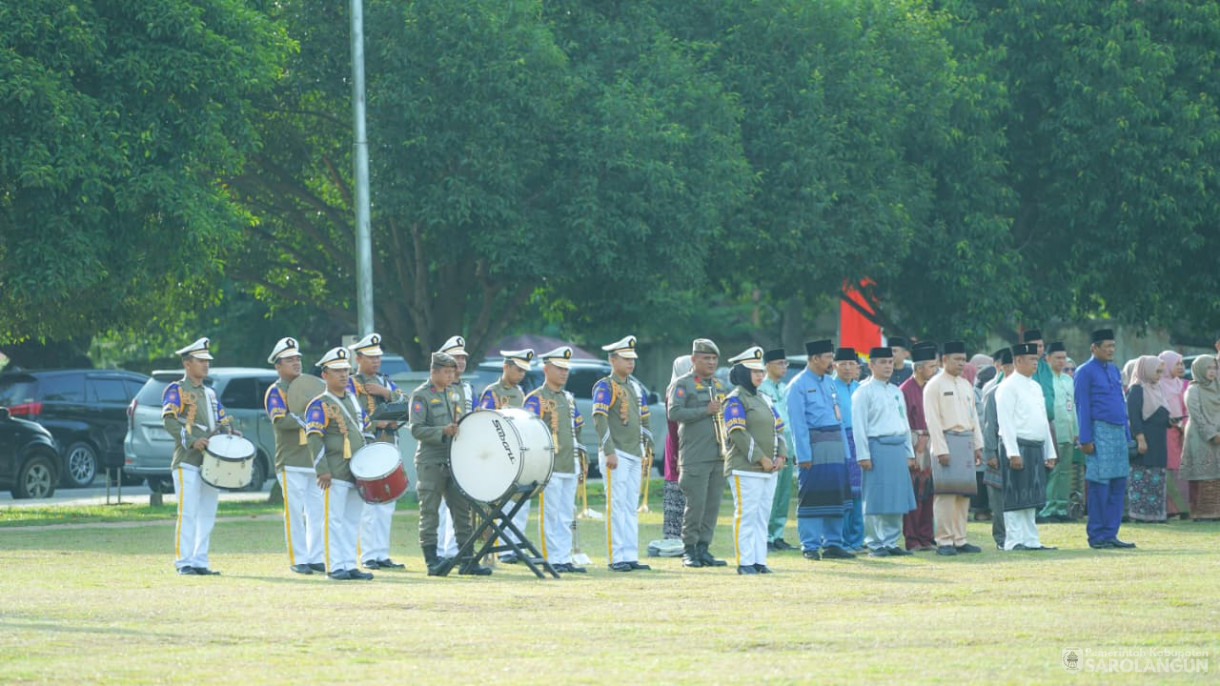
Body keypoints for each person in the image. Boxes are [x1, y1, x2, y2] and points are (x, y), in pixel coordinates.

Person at [410, 352, 491, 576]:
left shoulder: (454, 393)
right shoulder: (421, 396)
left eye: (452, 372)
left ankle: (467, 558)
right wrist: (442, 431)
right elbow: (416, 429)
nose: (450, 376)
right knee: (430, 512)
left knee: (461, 510)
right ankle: (432, 560)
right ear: (433, 371)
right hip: (430, 461)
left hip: (454, 459)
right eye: (446, 372)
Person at [163, 337, 233, 576]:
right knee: (188, 511)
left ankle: (200, 560)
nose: (205, 365)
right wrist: (193, 441)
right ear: (187, 363)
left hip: (212, 463)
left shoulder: (211, 394)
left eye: (207, 361)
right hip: (187, 461)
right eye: (200, 360)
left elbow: (222, 421)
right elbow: (169, 421)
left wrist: (230, 433)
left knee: (207, 513)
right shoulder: (176, 390)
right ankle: (184, 562)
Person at [304, 347, 374, 580]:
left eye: (345, 370)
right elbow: (314, 439)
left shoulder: (353, 399)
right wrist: (322, 470)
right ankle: (334, 567)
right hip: (334, 471)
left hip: (356, 471)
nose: (344, 375)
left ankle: (348, 563)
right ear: (324, 374)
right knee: (333, 520)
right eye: (337, 371)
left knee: (352, 520)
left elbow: (365, 428)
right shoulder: (319, 404)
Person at [786, 339, 854, 561]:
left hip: (835, 445)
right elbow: (797, 424)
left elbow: (839, 418)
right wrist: (803, 455)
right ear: (815, 359)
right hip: (814, 447)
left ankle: (833, 543)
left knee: (837, 495)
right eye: (829, 358)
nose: (832, 362)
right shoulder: (797, 385)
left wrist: (845, 451)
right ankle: (811, 545)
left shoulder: (830, 383)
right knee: (813, 496)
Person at [722, 346, 787, 574]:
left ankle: (759, 561)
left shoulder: (765, 399)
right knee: (747, 514)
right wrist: (761, 458)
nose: (760, 375)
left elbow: (779, 429)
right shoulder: (734, 400)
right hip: (745, 468)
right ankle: (745, 562)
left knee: (762, 516)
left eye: (761, 371)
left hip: (769, 469)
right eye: (753, 371)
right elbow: (738, 433)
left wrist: (781, 455)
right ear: (741, 372)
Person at [264, 337, 325, 575]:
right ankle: (298, 558)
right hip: (290, 460)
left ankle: (315, 556)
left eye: (298, 358)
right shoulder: (276, 391)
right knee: (295, 513)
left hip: (312, 459)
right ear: (278, 365)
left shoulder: (311, 387)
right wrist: (309, 416)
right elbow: (281, 420)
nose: (296, 363)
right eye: (289, 360)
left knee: (317, 512)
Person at [667, 339, 730, 568]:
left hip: (717, 453)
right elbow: (674, 412)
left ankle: (704, 548)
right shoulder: (683, 384)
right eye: (706, 358)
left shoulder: (719, 385)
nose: (711, 362)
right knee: (695, 505)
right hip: (695, 455)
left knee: (712, 506)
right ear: (694, 360)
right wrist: (705, 410)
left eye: (714, 359)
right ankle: (689, 550)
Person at [593, 335, 653, 572]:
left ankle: (630, 554)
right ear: (612, 359)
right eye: (625, 358)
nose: (630, 363)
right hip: (616, 451)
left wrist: (646, 446)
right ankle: (616, 556)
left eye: (632, 359)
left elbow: (644, 418)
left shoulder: (635, 386)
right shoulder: (605, 385)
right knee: (616, 505)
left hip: (634, 452)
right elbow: (599, 417)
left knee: (630, 505)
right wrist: (608, 451)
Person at [524, 346, 586, 573]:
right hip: (550, 465)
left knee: (565, 514)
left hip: (570, 463)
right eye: (559, 368)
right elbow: (530, 432)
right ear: (546, 368)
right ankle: (552, 559)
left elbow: (576, 427)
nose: (564, 373)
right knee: (550, 514)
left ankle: (564, 557)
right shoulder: (536, 398)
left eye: (566, 369)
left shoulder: (568, 398)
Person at [851, 347, 917, 558]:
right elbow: (859, 426)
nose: (888, 366)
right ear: (871, 365)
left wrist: (909, 452)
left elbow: (904, 423)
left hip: (897, 447)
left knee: (896, 497)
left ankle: (891, 541)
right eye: (883, 362)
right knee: (875, 497)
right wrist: (863, 454)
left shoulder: (896, 391)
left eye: (890, 362)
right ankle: (875, 542)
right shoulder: (863, 392)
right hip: (876, 447)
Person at [348, 333, 407, 571]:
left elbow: (405, 402)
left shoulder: (385, 380)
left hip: (388, 444)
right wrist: (375, 424)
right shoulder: (351, 383)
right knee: (369, 505)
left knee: (387, 503)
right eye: (371, 357)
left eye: (378, 357)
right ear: (359, 358)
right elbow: (349, 415)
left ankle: (382, 553)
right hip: (366, 446)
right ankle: (369, 555)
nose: (376, 362)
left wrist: (386, 394)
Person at [1074, 329, 1136, 549]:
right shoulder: (1084, 371)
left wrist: (1128, 435)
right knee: (1100, 485)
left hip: (1118, 432)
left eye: (1113, 346)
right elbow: (1082, 406)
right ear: (1094, 348)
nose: (1111, 350)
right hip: (1098, 432)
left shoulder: (1114, 370)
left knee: (1119, 483)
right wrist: (1086, 438)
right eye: (1106, 346)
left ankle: (1111, 533)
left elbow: (1121, 402)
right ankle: (1097, 536)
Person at [996, 343, 1058, 551]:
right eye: (1031, 359)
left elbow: (1043, 421)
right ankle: (1014, 541)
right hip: (1017, 446)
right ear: (1018, 360)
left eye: (1036, 360)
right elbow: (1005, 423)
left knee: (1031, 497)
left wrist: (1049, 451)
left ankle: (1032, 540)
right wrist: (1012, 452)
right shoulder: (1007, 387)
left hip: (1035, 446)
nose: (1035, 363)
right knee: (1015, 496)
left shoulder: (1035, 386)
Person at [923, 341, 984, 556]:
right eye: (956, 359)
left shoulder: (966, 385)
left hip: (966, 441)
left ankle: (960, 539)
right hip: (946, 442)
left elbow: (973, 417)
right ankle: (944, 541)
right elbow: (932, 420)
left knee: (964, 495)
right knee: (946, 495)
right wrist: (940, 449)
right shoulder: (935, 385)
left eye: (963, 359)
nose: (961, 363)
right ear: (944, 360)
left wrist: (978, 445)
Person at [478, 348, 534, 563]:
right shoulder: (492, 393)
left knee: (520, 502)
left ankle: (515, 547)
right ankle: (502, 549)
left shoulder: (520, 393)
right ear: (506, 367)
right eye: (518, 369)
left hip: (519, 455)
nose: (521, 374)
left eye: (523, 371)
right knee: (503, 504)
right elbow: (485, 422)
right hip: (499, 454)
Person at [435, 335, 473, 563]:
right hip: (441, 451)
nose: (461, 360)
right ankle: (439, 551)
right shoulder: (436, 388)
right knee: (439, 504)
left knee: (459, 503)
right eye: (456, 356)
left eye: (463, 357)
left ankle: (454, 550)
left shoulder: (466, 388)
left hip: (463, 451)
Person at [900, 342, 939, 551]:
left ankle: (926, 536)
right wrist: (911, 451)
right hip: (915, 443)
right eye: (931, 366)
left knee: (930, 492)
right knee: (914, 492)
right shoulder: (905, 390)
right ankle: (912, 538)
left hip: (933, 443)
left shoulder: (933, 388)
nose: (935, 370)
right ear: (919, 367)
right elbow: (903, 423)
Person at [759, 349, 797, 552]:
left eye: (785, 363)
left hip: (788, 446)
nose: (783, 367)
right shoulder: (762, 388)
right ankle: (765, 536)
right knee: (770, 495)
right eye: (779, 363)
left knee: (783, 494)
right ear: (768, 366)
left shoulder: (784, 388)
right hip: (772, 447)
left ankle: (778, 534)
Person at [1039, 342, 1081, 522]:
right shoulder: (1043, 378)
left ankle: (1062, 508)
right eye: (1057, 358)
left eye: (1064, 358)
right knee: (1053, 471)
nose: (1061, 361)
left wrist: (1077, 431)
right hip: (1051, 433)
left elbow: (1074, 408)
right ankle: (1048, 509)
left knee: (1066, 472)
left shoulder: (1068, 380)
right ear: (1047, 358)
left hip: (1068, 432)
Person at [1126, 355, 1170, 523]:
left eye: (1161, 371)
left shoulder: (1157, 388)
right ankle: (1140, 514)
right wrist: (1140, 439)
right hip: (1145, 438)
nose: (1159, 375)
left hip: (1159, 439)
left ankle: (1156, 513)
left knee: (1157, 474)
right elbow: (1134, 417)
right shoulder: (1137, 389)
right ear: (1147, 370)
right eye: (1156, 371)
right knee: (1142, 474)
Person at [981, 347, 1014, 549]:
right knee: (999, 497)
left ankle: (1019, 536)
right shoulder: (993, 391)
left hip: (1021, 450)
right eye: (1009, 366)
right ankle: (1001, 539)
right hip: (998, 451)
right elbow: (989, 424)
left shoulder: (1029, 388)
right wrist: (990, 452)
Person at [832, 347, 864, 551]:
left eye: (851, 364)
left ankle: (857, 539)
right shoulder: (830, 387)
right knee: (842, 492)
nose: (847, 367)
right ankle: (841, 539)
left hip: (860, 442)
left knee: (860, 493)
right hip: (839, 439)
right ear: (834, 365)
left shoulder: (860, 388)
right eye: (842, 363)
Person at [1182, 356, 1220, 520]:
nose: (1212, 371)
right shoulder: (1193, 390)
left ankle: (1216, 512)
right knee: (1202, 473)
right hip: (1199, 436)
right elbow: (1196, 415)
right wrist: (1211, 434)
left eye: (1214, 368)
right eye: (1208, 368)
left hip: (1219, 435)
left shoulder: (1217, 388)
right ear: (1199, 370)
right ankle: (1200, 513)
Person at [662, 355, 693, 542]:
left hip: (689, 446)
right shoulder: (674, 392)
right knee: (675, 489)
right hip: (677, 446)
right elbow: (675, 429)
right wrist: (679, 455)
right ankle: (673, 538)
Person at [1158, 350, 1190, 519]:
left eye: (1181, 363)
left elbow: (1188, 409)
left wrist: (1184, 426)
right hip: (1164, 432)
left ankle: (1184, 508)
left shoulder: (1185, 385)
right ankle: (1171, 509)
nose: (1180, 367)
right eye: (1176, 363)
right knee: (1169, 468)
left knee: (1181, 469)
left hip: (1183, 432)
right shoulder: (1157, 385)